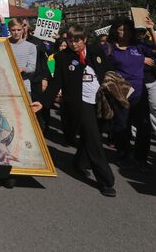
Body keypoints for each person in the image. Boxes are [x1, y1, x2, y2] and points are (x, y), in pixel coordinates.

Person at [46, 26, 116, 196]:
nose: (74, 44)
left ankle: (79, 162)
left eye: (77, 40)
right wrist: (43, 102)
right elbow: (56, 83)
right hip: (80, 103)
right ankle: (106, 181)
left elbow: (108, 70)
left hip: (100, 101)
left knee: (92, 135)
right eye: (70, 40)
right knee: (94, 140)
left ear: (84, 39)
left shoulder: (95, 50)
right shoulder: (62, 57)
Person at [107, 16, 156, 170]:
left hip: (140, 93)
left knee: (144, 127)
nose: (124, 32)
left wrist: (152, 29)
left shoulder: (138, 46)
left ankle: (141, 158)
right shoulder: (109, 48)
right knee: (122, 126)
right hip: (120, 93)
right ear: (115, 31)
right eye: (121, 29)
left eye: (128, 29)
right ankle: (123, 155)